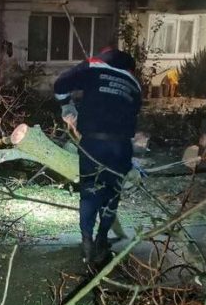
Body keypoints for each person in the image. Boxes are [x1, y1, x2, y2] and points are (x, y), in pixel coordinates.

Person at [53, 47, 142, 263]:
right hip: (121, 147)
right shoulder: (135, 84)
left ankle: (87, 242)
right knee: (112, 194)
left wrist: (67, 106)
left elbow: (60, 85)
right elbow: (133, 112)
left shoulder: (94, 66)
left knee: (90, 192)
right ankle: (102, 240)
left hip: (94, 143)